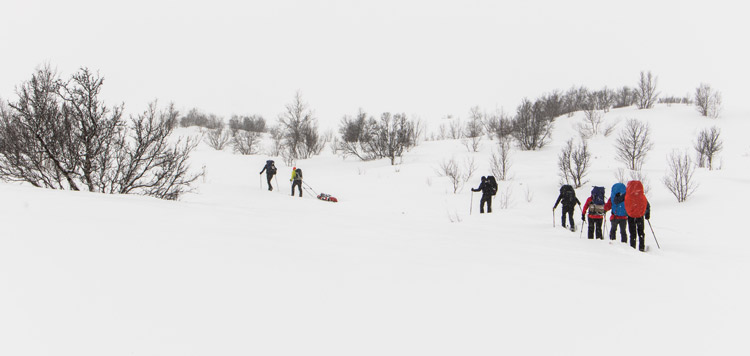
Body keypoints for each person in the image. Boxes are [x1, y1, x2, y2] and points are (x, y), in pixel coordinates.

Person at [624, 180, 651, 252]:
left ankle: (633, 248)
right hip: (640, 216)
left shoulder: (627, 195)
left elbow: (618, 201)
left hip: (631, 216)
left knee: (632, 233)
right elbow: (647, 205)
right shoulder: (641, 196)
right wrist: (647, 215)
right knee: (641, 232)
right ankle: (641, 248)